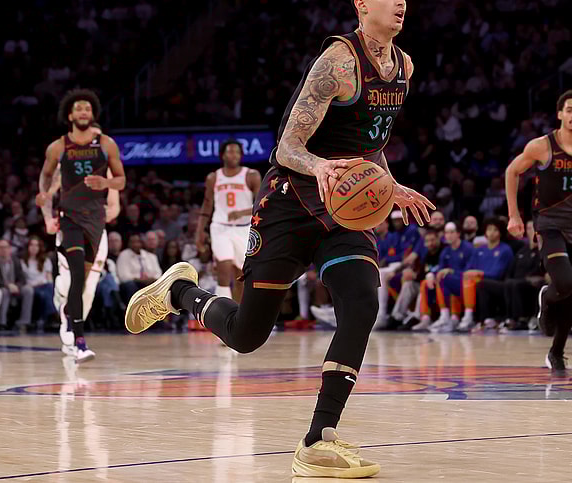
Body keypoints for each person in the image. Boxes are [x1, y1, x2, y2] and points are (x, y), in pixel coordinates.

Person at [124, 0, 433, 478]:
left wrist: (388, 185)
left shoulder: (403, 67)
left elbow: (371, 145)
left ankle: (318, 439)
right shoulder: (338, 62)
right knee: (248, 335)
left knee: (362, 302)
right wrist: (321, 167)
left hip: (343, 209)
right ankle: (180, 292)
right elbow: (287, 148)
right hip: (291, 202)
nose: (399, 4)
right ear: (361, 5)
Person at [504, 90, 572, 373]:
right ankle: (546, 297)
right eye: (570, 110)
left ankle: (557, 352)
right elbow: (512, 172)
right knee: (563, 283)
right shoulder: (542, 146)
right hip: (549, 222)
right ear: (560, 114)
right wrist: (514, 215)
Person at [36, 92, 125, 361]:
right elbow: (45, 186)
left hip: (97, 223)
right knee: (75, 278)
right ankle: (78, 341)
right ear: (71, 115)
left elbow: (119, 191)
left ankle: (67, 311)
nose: (84, 112)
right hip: (69, 219)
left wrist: (105, 185)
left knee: (86, 285)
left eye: (88, 108)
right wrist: (47, 216)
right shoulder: (58, 149)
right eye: (79, 108)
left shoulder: (107, 147)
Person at [195, 140, 261, 303]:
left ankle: (241, 315)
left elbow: (263, 204)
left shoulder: (251, 175)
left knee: (242, 275)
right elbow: (207, 203)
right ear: (223, 155)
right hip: (220, 227)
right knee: (223, 271)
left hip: (244, 228)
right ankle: (222, 314)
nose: (234, 155)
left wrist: (242, 212)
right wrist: (199, 231)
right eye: (231, 152)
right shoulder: (214, 177)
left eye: (237, 152)